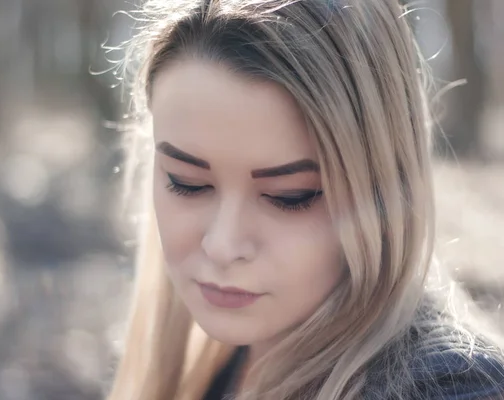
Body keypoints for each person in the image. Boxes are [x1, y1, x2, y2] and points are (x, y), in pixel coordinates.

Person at [106, 0, 504, 399]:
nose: (222, 246)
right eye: (187, 182)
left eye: (289, 197)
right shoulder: (221, 369)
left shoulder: (451, 388)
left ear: (383, 186)